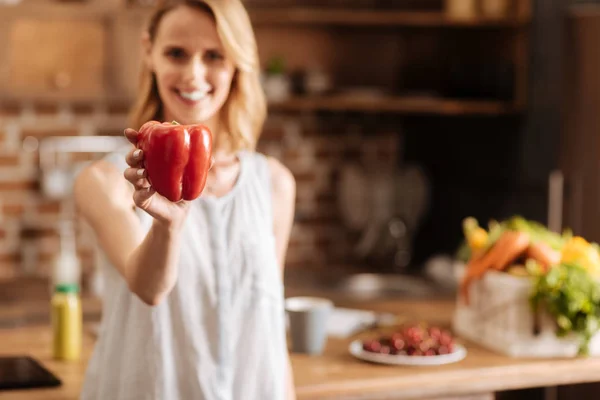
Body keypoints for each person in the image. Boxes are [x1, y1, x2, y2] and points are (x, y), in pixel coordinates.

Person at [73, 0, 297, 399]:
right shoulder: (104, 182)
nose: (194, 74)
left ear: (237, 64)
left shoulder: (274, 184)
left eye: (214, 56)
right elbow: (150, 288)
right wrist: (169, 223)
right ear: (149, 52)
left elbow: (268, 327)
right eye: (176, 53)